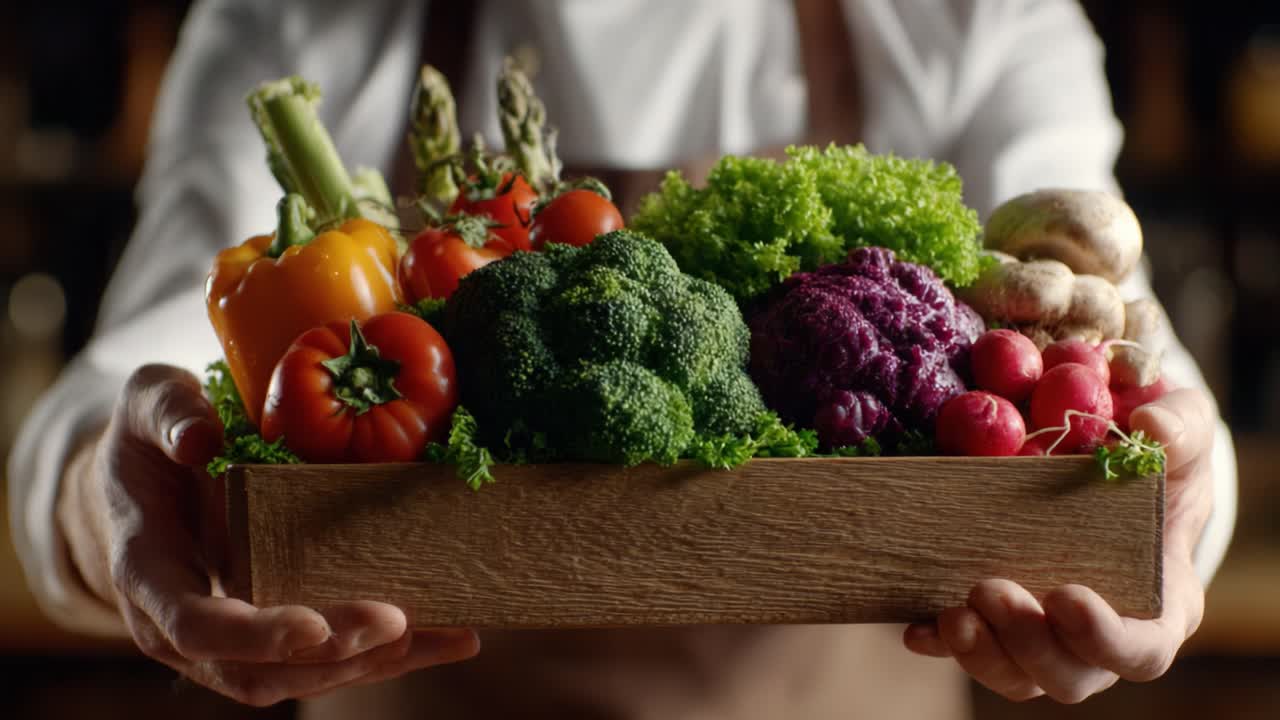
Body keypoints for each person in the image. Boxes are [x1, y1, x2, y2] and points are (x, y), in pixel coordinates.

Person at [8, 0, 1237, 717]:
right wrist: (103, 496)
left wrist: (1174, 507)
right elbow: (151, 347)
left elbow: (1111, 324)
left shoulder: (971, 15)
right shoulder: (301, 13)